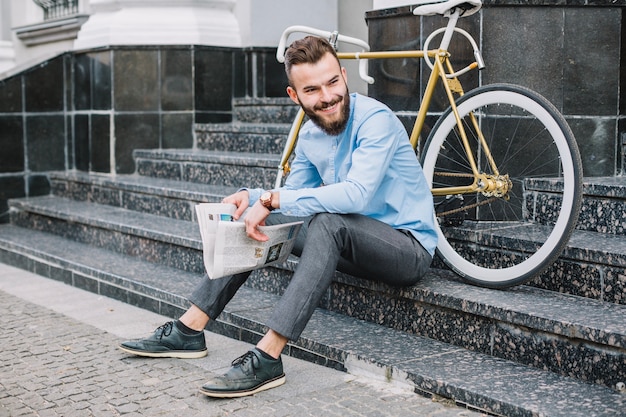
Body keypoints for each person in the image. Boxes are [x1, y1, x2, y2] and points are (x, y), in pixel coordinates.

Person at [119, 35, 437, 398]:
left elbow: (356, 193)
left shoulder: (374, 120)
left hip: (406, 249)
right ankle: (189, 330)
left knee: (326, 223)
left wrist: (271, 198)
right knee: (256, 218)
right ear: (294, 96)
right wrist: (251, 199)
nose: (328, 96)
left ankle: (268, 356)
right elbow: (292, 200)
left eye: (333, 82)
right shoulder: (310, 135)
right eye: (313, 89)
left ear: (345, 76)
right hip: (352, 245)